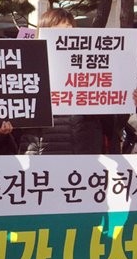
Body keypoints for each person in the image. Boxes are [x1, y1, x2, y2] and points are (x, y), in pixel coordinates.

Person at [17, 9, 121, 155]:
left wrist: (123, 102)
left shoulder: (90, 68)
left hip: (83, 150)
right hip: (42, 150)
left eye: (69, 28)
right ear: (44, 32)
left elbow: (109, 122)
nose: (66, 34)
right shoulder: (28, 66)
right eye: (58, 29)